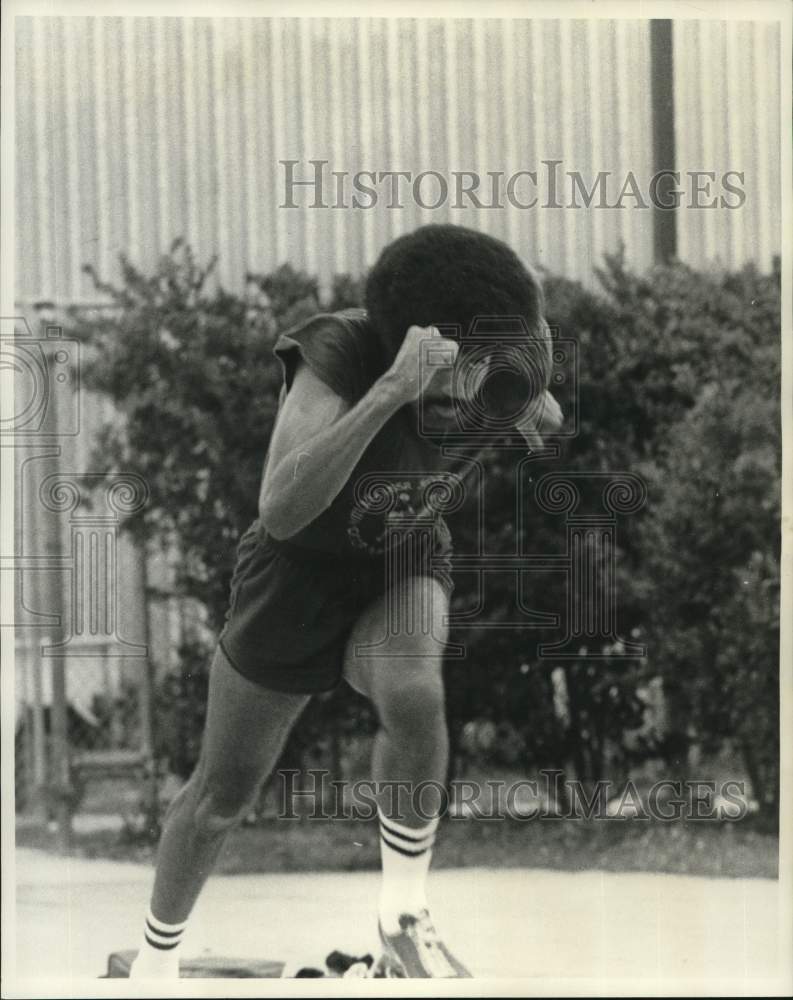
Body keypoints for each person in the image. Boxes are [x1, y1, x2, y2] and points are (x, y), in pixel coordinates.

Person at [129, 224, 563, 979]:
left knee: (413, 689)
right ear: (421, 346)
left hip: (402, 555)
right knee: (220, 799)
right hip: (297, 575)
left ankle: (402, 916)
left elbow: (544, 405)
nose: (483, 392)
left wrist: (523, 393)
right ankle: (153, 958)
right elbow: (281, 509)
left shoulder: (496, 362)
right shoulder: (338, 354)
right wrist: (391, 392)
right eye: (473, 372)